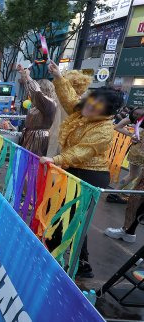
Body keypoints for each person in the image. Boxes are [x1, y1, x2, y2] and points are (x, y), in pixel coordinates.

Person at [44, 61, 125, 279]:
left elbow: (82, 151)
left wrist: (56, 158)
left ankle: (81, 263)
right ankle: (54, 248)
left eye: (96, 106)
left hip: (90, 175)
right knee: (63, 211)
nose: (89, 106)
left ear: (106, 111)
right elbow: (70, 99)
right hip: (71, 168)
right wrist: (58, 76)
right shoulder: (83, 112)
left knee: (76, 217)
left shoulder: (104, 129)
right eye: (90, 101)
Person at [16, 64, 57, 156]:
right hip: (31, 135)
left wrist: (28, 76)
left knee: (34, 162)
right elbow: (31, 91)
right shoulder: (39, 103)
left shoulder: (49, 103)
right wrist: (23, 74)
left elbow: (35, 92)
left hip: (40, 138)